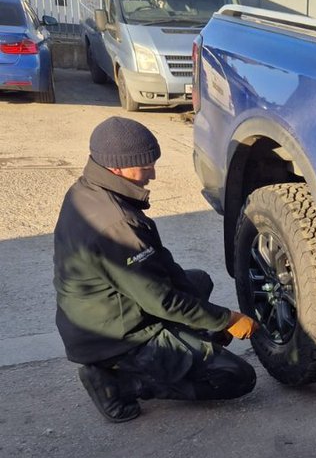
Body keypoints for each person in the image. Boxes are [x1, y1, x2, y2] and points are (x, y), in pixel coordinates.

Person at [53, 116, 258, 423]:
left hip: (106, 310)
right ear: (118, 166)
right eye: (145, 164)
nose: (153, 172)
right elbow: (162, 301)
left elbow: (159, 265)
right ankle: (119, 382)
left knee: (198, 281)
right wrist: (224, 318)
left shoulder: (90, 190)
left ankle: (184, 345)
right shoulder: (116, 224)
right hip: (117, 337)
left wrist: (209, 322)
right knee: (238, 376)